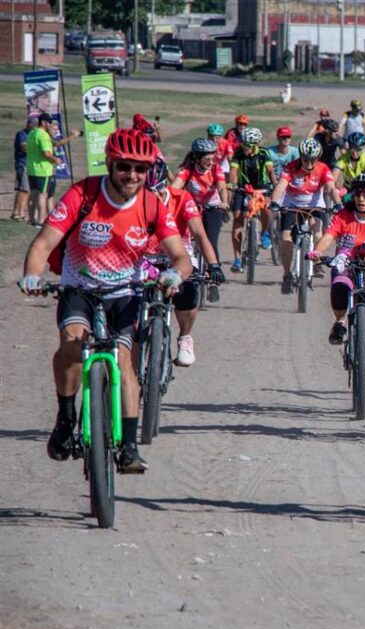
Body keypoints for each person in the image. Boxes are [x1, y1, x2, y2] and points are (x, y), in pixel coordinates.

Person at [18, 128, 191, 472]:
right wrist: (32, 276)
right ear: (110, 164)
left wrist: (175, 274)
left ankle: (128, 447)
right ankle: (66, 419)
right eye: (125, 166)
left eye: (140, 169)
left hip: (125, 293)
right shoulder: (83, 193)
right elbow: (42, 244)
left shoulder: (151, 204)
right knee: (72, 343)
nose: (132, 176)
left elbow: (180, 256)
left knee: (125, 363)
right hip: (79, 289)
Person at [311, 174, 365, 394]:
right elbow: (329, 236)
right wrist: (317, 251)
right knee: (339, 284)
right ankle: (340, 322)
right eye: (358, 194)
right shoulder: (343, 216)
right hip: (347, 263)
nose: (361, 199)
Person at [143, 159, 225, 366]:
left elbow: (199, 233)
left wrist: (214, 265)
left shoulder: (182, 198)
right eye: (147, 192)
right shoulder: (133, 202)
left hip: (178, 256)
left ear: (165, 184)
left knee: (187, 292)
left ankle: (185, 337)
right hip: (145, 258)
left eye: (159, 190)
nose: (155, 196)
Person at [269, 138, 341, 293]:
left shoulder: (323, 168)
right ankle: (287, 274)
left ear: (318, 158)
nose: (308, 164)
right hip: (292, 206)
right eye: (305, 160)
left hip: (315, 206)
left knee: (318, 231)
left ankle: (316, 262)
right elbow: (281, 185)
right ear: (300, 156)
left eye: (312, 160)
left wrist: (337, 203)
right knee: (286, 240)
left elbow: (331, 187)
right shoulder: (290, 167)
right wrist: (274, 202)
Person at [171, 138, 230, 304]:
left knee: (210, 241)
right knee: (185, 241)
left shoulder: (216, 169)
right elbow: (175, 188)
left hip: (212, 207)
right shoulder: (186, 172)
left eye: (213, 158)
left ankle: (213, 282)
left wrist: (224, 202)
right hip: (191, 209)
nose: (211, 162)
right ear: (197, 158)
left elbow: (222, 188)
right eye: (207, 159)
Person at [227, 127, 275, 272]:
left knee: (267, 208)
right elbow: (233, 172)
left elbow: (270, 170)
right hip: (243, 189)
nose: (244, 147)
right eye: (243, 143)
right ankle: (237, 259)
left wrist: (275, 184)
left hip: (261, 187)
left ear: (255, 145)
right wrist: (232, 183)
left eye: (247, 145)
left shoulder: (264, 153)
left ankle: (265, 233)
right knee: (237, 221)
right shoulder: (238, 153)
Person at [25, 113, 63, 227]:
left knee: (33, 195)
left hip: (32, 169)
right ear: (43, 123)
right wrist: (55, 159)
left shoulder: (32, 133)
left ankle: (32, 219)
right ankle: (41, 221)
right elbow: (46, 153)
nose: (51, 125)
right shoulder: (43, 135)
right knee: (43, 195)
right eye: (50, 122)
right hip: (43, 170)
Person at [12, 116, 37, 222]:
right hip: (23, 164)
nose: (31, 125)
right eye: (29, 123)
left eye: (33, 124)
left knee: (22, 189)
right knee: (24, 189)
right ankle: (19, 213)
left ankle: (16, 212)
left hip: (29, 165)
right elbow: (23, 147)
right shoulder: (22, 134)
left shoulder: (34, 134)